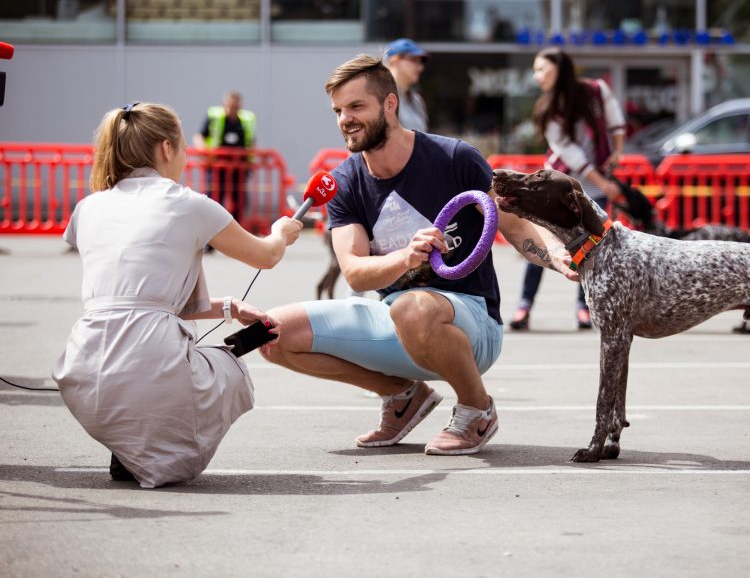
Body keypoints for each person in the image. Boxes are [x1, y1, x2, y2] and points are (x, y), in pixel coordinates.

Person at [260, 54, 576, 455]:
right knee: (270, 334)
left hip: (472, 321)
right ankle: (403, 396)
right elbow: (355, 272)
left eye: (356, 106)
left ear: (390, 104)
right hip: (395, 319)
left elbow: (514, 226)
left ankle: (477, 410)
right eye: (339, 110)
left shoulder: (454, 158)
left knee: (413, 308)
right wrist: (406, 258)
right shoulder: (345, 182)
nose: (345, 119)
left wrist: (559, 254)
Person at [54, 102, 303, 488]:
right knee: (229, 367)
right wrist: (281, 232)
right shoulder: (188, 203)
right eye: (185, 147)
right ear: (166, 149)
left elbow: (136, 297)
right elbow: (266, 256)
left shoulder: (88, 207)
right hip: (149, 362)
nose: (187, 157)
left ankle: (127, 447)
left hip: (82, 368)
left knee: (148, 361)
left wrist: (228, 307)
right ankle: (154, 451)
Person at [509, 47, 626, 331]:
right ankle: (524, 305)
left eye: (541, 69)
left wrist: (617, 153)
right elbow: (572, 155)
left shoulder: (596, 91)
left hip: (595, 183)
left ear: (559, 69)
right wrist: (605, 184)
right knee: (543, 240)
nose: (537, 76)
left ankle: (584, 307)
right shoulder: (547, 110)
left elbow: (616, 121)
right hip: (559, 185)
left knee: (591, 246)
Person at [193, 90, 256, 225]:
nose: (232, 109)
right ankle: (210, 238)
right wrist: (205, 154)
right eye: (230, 106)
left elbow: (251, 142)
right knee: (214, 201)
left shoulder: (245, 121)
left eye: (236, 106)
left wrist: (251, 158)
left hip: (238, 169)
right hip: (217, 168)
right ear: (224, 104)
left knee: (239, 202)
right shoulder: (215, 117)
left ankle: (236, 236)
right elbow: (199, 137)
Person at [383, 38, 429, 131]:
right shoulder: (379, 95)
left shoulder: (417, 100)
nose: (420, 68)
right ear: (395, 60)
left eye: (421, 62)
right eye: (414, 60)